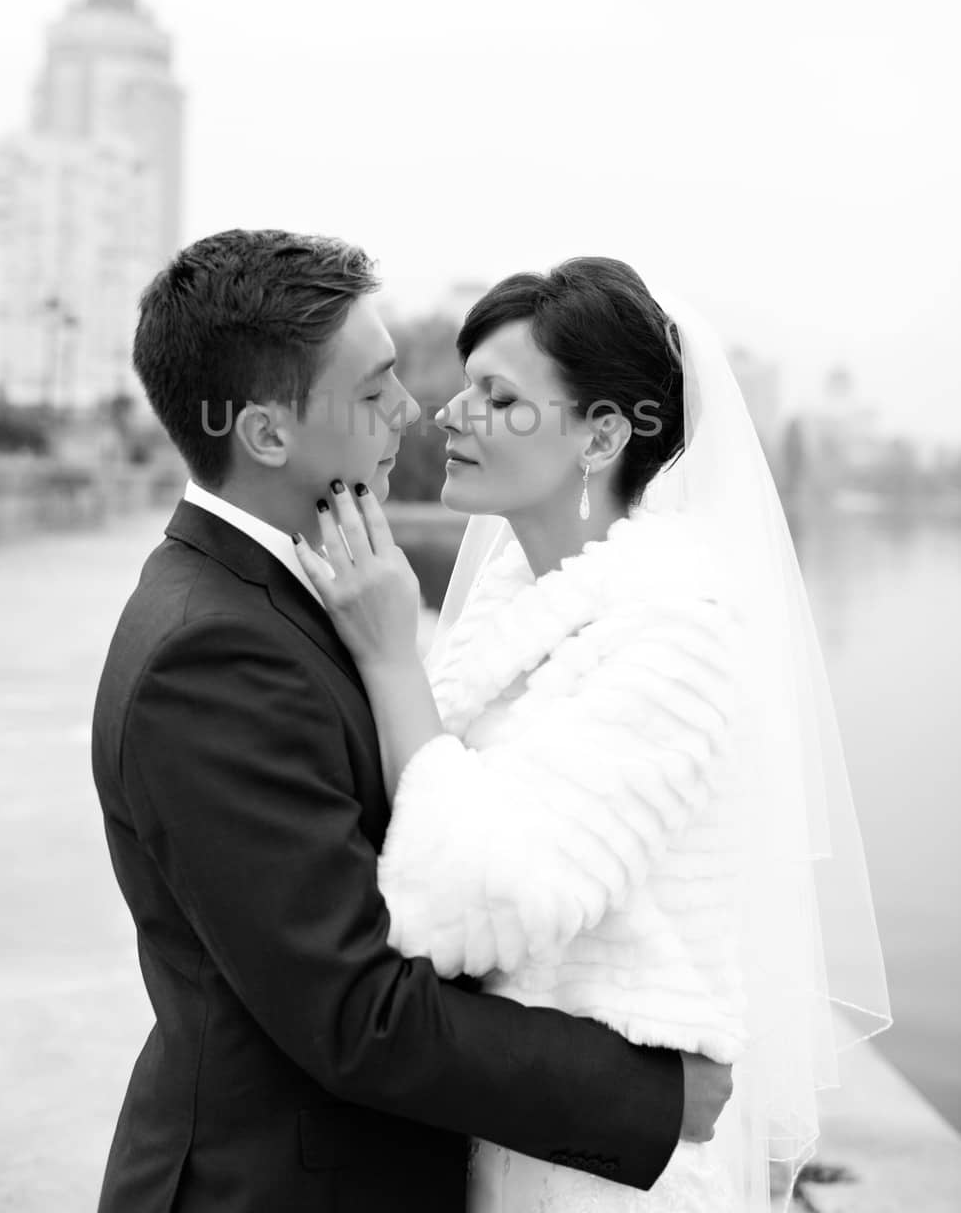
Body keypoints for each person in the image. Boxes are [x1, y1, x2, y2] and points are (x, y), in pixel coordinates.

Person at [90, 231, 732, 1213]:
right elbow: (353, 1009)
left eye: (498, 395)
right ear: (266, 434)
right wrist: (647, 1096)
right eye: (375, 387)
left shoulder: (299, 591)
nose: (414, 409)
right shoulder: (209, 652)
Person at [295, 255, 891, 1212]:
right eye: (462, 385)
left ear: (602, 432)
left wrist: (388, 657)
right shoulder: (509, 599)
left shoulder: (676, 628)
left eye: (498, 396)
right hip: (512, 1117)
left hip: (604, 1168)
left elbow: (485, 891)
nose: (450, 413)